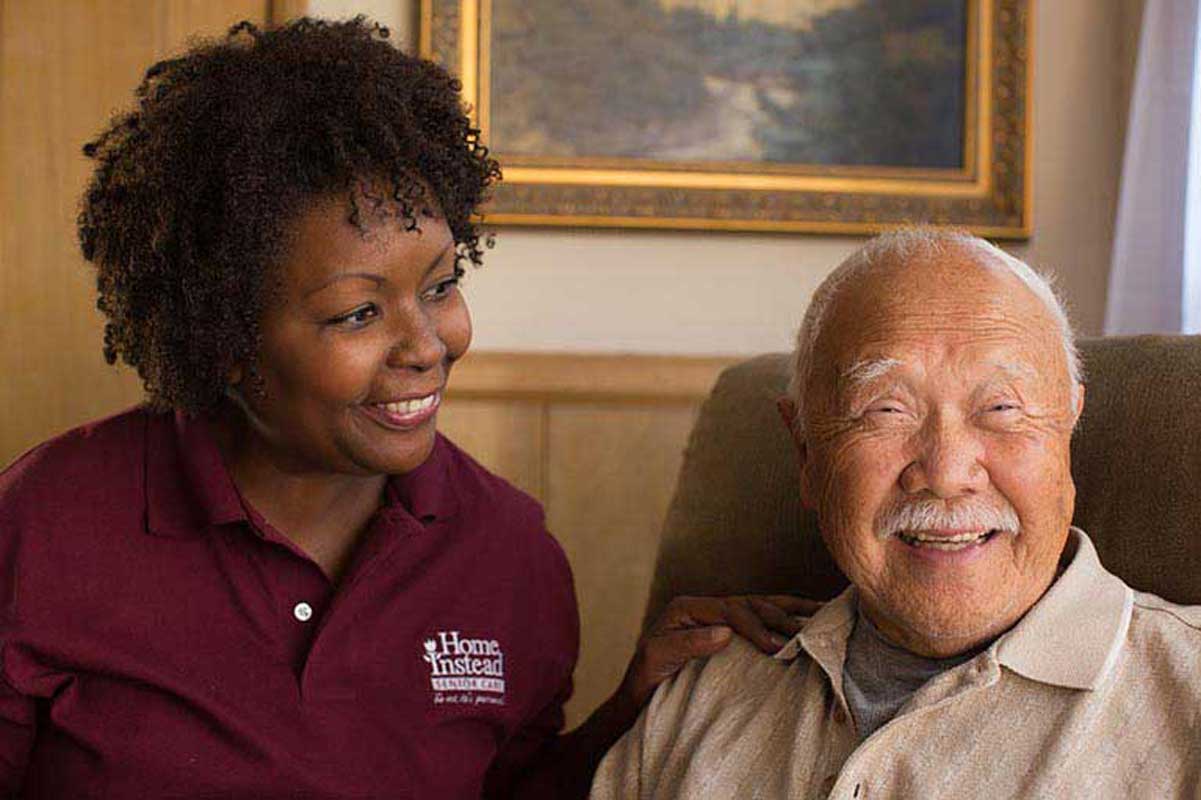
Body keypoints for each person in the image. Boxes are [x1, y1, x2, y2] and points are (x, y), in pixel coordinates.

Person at [0, 17, 812, 799]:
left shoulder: (508, 554)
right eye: (358, 313)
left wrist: (633, 705)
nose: (428, 344)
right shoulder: (44, 526)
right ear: (225, 340)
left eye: (440, 287)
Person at [591, 229, 1201, 799]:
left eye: (1001, 407)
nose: (945, 470)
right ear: (806, 453)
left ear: (1068, 429)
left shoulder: (1185, 701)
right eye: (885, 410)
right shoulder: (699, 696)